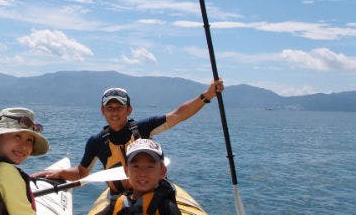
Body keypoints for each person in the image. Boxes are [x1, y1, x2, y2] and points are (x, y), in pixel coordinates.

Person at [32, 80, 224, 195]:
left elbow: (177, 115)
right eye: (110, 108)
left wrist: (207, 95)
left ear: (129, 109)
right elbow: (82, 172)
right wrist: (58, 173)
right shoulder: (96, 141)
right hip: (119, 197)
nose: (114, 112)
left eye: (119, 108)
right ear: (103, 111)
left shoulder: (143, 129)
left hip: (151, 193)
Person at [71, 139, 192, 215]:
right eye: (135, 166)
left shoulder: (166, 206)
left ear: (162, 171)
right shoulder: (115, 206)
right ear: (126, 170)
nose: (142, 173)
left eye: (150, 167)